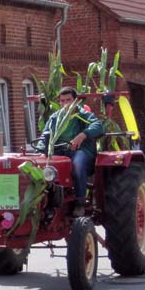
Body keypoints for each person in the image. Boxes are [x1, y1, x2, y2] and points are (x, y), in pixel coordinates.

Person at [35, 86, 104, 216]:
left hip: (80, 151)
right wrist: (40, 151)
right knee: (40, 168)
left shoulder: (84, 115)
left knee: (77, 165)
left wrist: (83, 135)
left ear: (75, 101)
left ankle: (80, 203)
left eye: (68, 100)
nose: (65, 103)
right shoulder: (55, 118)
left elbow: (98, 126)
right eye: (62, 101)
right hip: (58, 152)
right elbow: (45, 136)